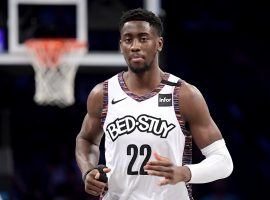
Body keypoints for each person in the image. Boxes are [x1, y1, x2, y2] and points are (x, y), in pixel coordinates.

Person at [75, 8, 233, 200]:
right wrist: (88, 170)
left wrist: (184, 172)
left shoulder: (183, 95)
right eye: (128, 39)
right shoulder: (103, 94)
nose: (134, 46)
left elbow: (223, 162)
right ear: (121, 45)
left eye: (143, 38)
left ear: (159, 43)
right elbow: (86, 140)